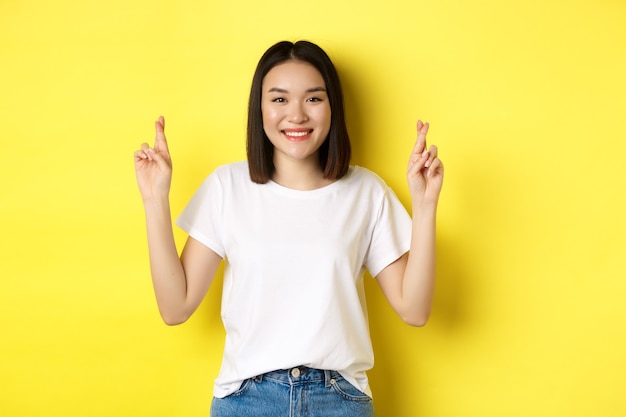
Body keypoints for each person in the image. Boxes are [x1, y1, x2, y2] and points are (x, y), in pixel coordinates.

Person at [134, 40, 443, 417]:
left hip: (339, 401)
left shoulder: (366, 192)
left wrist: (425, 205)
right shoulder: (226, 187)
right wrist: (155, 199)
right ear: (259, 109)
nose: (296, 115)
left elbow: (414, 310)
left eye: (313, 99)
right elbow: (175, 307)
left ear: (332, 108)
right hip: (246, 400)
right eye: (279, 99)